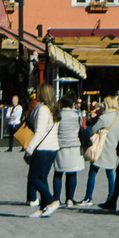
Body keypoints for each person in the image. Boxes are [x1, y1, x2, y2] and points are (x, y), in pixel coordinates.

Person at [23, 87, 59, 216]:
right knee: (42, 178)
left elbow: (40, 131)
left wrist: (29, 149)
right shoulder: (53, 108)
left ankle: (51, 200)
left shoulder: (43, 109)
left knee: (33, 178)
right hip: (53, 147)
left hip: (43, 148)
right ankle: (43, 207)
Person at [83, 96, 119, 206]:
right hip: (113, 147)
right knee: (110, 174)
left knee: (93, 172)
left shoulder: (104, 118)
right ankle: (111, 197)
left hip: (101, 148)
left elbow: (93, 130)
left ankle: (88, 197)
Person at [53, 93, 85, 207]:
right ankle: (69, 199)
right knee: (72, 173)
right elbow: (80, 128)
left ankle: (56, 198)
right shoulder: (76, 115)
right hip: (74, 145)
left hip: (60, 145)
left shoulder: (58, 115)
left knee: (58, 173)